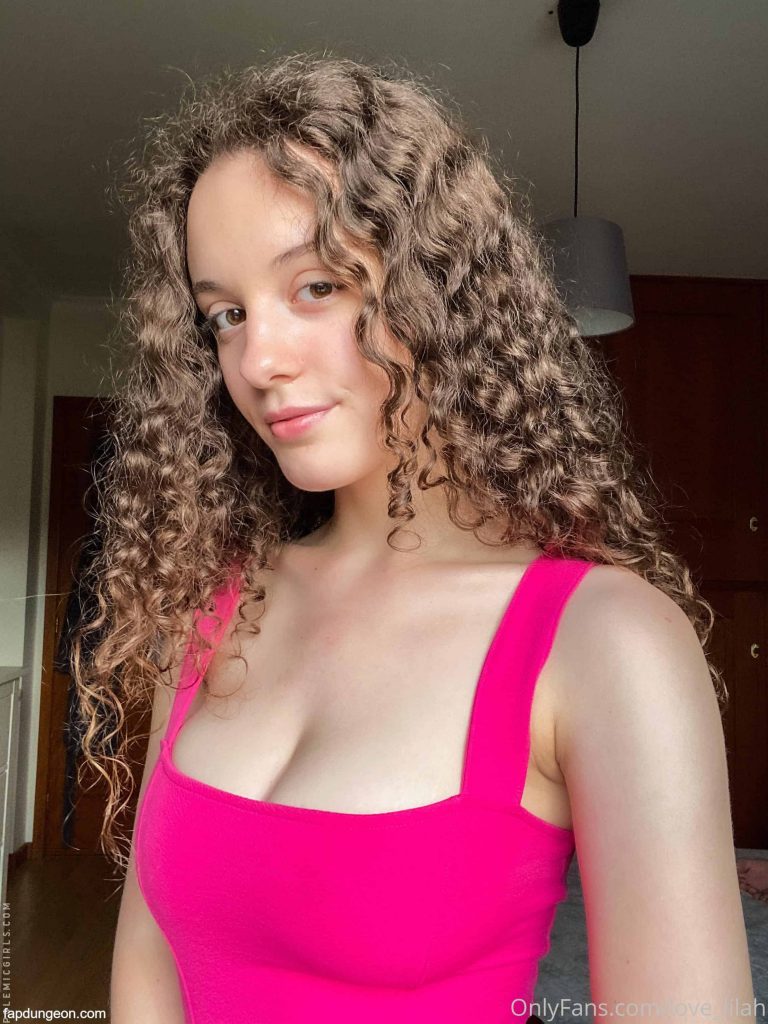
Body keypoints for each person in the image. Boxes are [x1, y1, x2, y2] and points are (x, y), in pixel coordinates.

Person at [69, 53, 756, 1024]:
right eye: (224, 314)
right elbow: (149, 966)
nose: (257, 358)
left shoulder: (604, 640)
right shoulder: (213, 604)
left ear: (438, 286)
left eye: (315, 286)